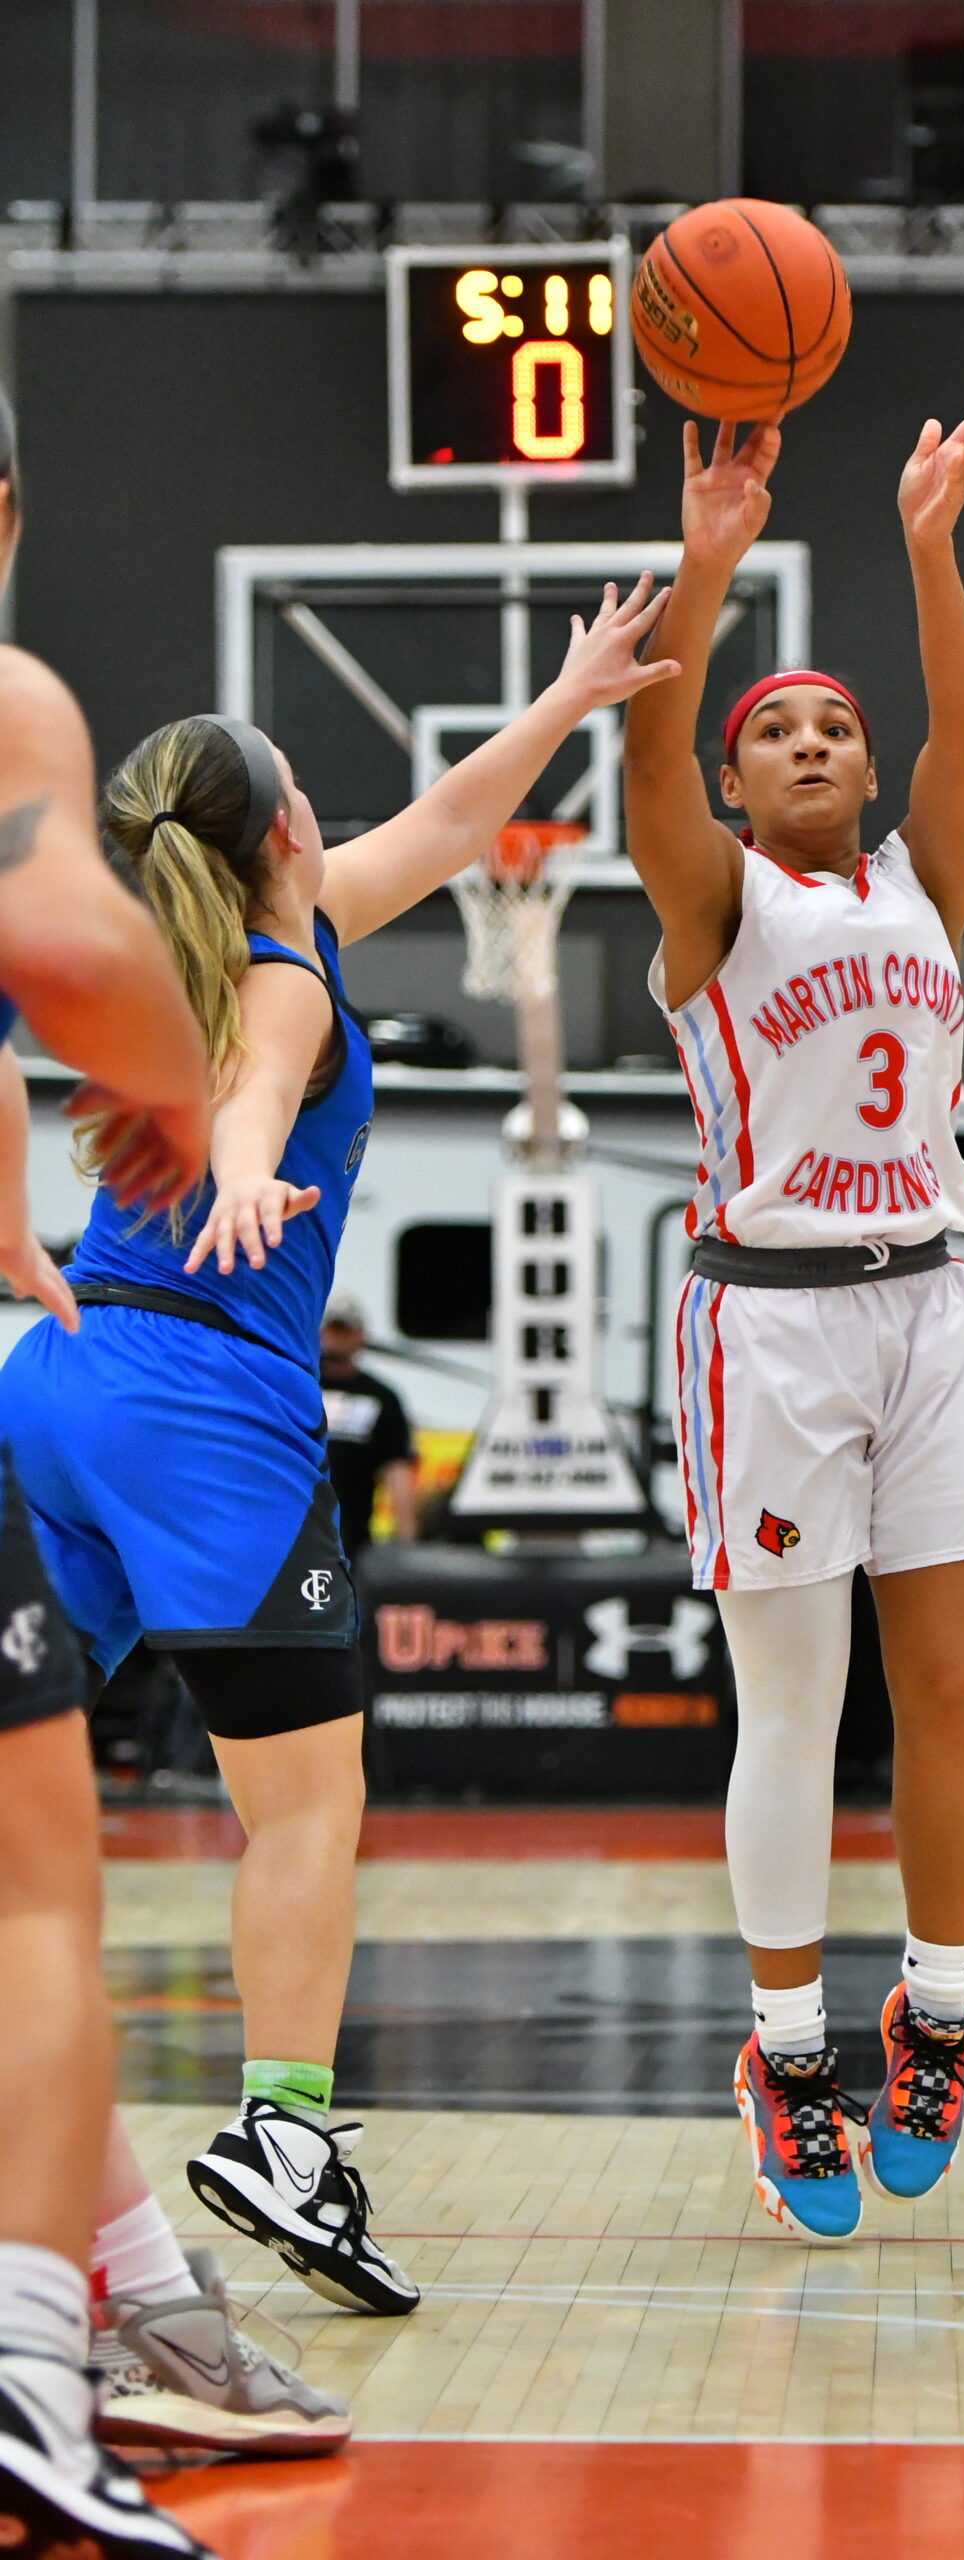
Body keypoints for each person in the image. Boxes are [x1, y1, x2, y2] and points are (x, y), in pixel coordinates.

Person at [0, 577, 678, 2322]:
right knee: (305, 1803)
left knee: (27, 1795)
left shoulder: (197, 937)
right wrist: (240, 1166)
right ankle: (285, 2133)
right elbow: (264, 1080)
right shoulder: (287, 970)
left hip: (62, 1374)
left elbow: (457, 821)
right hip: (203, 1411)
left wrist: (575, 691)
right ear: (286, 828)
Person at [623, 398, 964, 2240]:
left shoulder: (925, 875)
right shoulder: (713, 898)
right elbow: (642, 782)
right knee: (796, 1710)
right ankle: (786, 2053)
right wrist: (705, 567)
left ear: (863, 770)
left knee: (948, 1688)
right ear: (734, 776)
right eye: (770, 729)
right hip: (766, 1327)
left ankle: (933, 2016)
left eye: (829, 727)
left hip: (930, 1310)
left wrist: (928, 545)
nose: (806, 741)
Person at [0, 385, 224, 2554]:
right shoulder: (10, 702)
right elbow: (69, 955)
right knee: (34, 1880)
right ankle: (26, 2359)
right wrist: (161, 1082)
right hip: (164, 1383)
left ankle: (136, 2287)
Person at [319, 1297, 415, 1559]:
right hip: (296, 1532)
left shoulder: (381, 1397)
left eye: (344, 1330)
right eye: (331, 1329)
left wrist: (406, 1548)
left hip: (353, 1543)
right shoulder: (300, 1388)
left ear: (360, 1335)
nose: (336, 1338)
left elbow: (397, 1470)